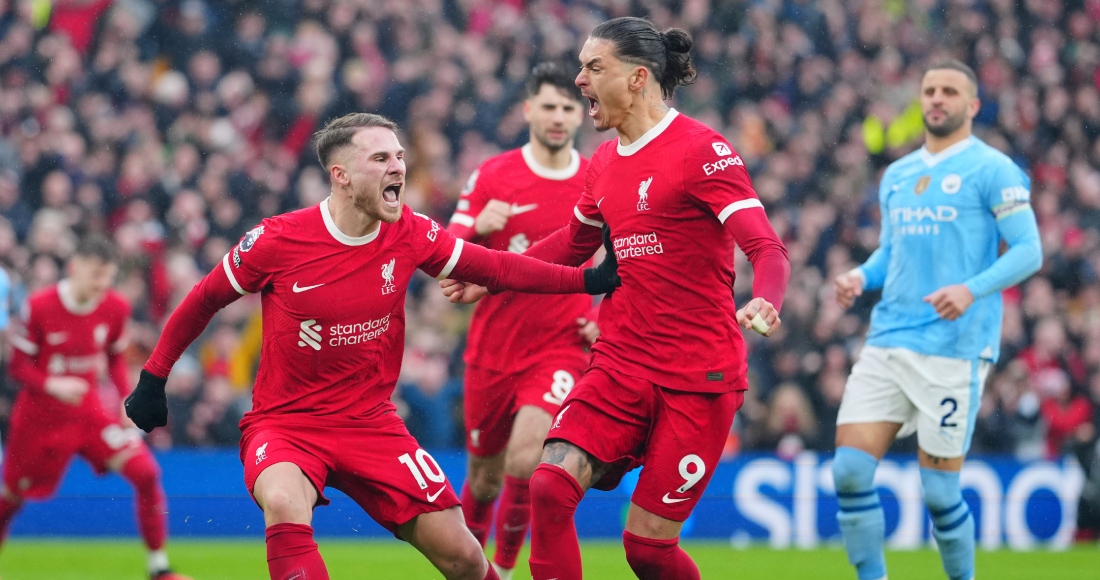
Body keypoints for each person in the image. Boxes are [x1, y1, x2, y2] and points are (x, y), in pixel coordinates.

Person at [123, 112, 619, 580]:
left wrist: (587, 278)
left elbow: (497, 268)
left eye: (400, 157)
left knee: (465, 558)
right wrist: (154, 378)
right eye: (380, 159)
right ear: (340, 175)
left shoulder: (411, 232)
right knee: (282, 498)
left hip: (371, 424)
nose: (398, 167)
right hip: (287, 423)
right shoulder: (276, 240)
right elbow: (203, 300)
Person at [443, 17, 790, 580]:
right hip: (620, 364)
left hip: (696, 375)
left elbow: (767, 249)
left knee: (646, 552)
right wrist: (493, 275)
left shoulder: (704, 151)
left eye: (592, 67)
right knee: (550, 484)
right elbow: (570, 247)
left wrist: (767, 300)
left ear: (637, 78)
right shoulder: (604, 162)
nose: (578, 81)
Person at [831, 59, 1042, 580]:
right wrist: (861, 275)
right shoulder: (898, 174)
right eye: (929, 90)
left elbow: (1029, 250)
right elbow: (891, 250)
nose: (936, 98)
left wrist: (971, 290)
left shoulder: (993, 169)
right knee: (850, 472)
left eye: (949, 91)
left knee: (940, 491)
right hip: (887, 337)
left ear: (972, 106)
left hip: (954, 347)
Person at [445, 62, 595, 580]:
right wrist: (477, 228)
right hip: (493, 348)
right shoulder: (494, 175)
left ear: (582, 114)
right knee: (483, 479)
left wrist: (604, 316)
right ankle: (468, 567)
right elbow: (449, 249)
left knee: (528, 459)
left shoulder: (597, 177)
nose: (558, 117)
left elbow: (625, 258)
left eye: (568, 107)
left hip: (561, 344)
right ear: (529, 110)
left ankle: (505, 571)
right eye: (549, 106)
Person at [2, 237, 190, 580]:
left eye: (107, 278)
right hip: (38, 421)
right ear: (75, 268)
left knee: (146, 474)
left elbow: (115, 358)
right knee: (10, 497)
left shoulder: (115, 307)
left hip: (89, 415)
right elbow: (17, 367)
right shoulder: (39, 306)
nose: (102, 285)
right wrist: (51, 383)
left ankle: (159, 568)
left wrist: (123, 397)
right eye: (95, 277)